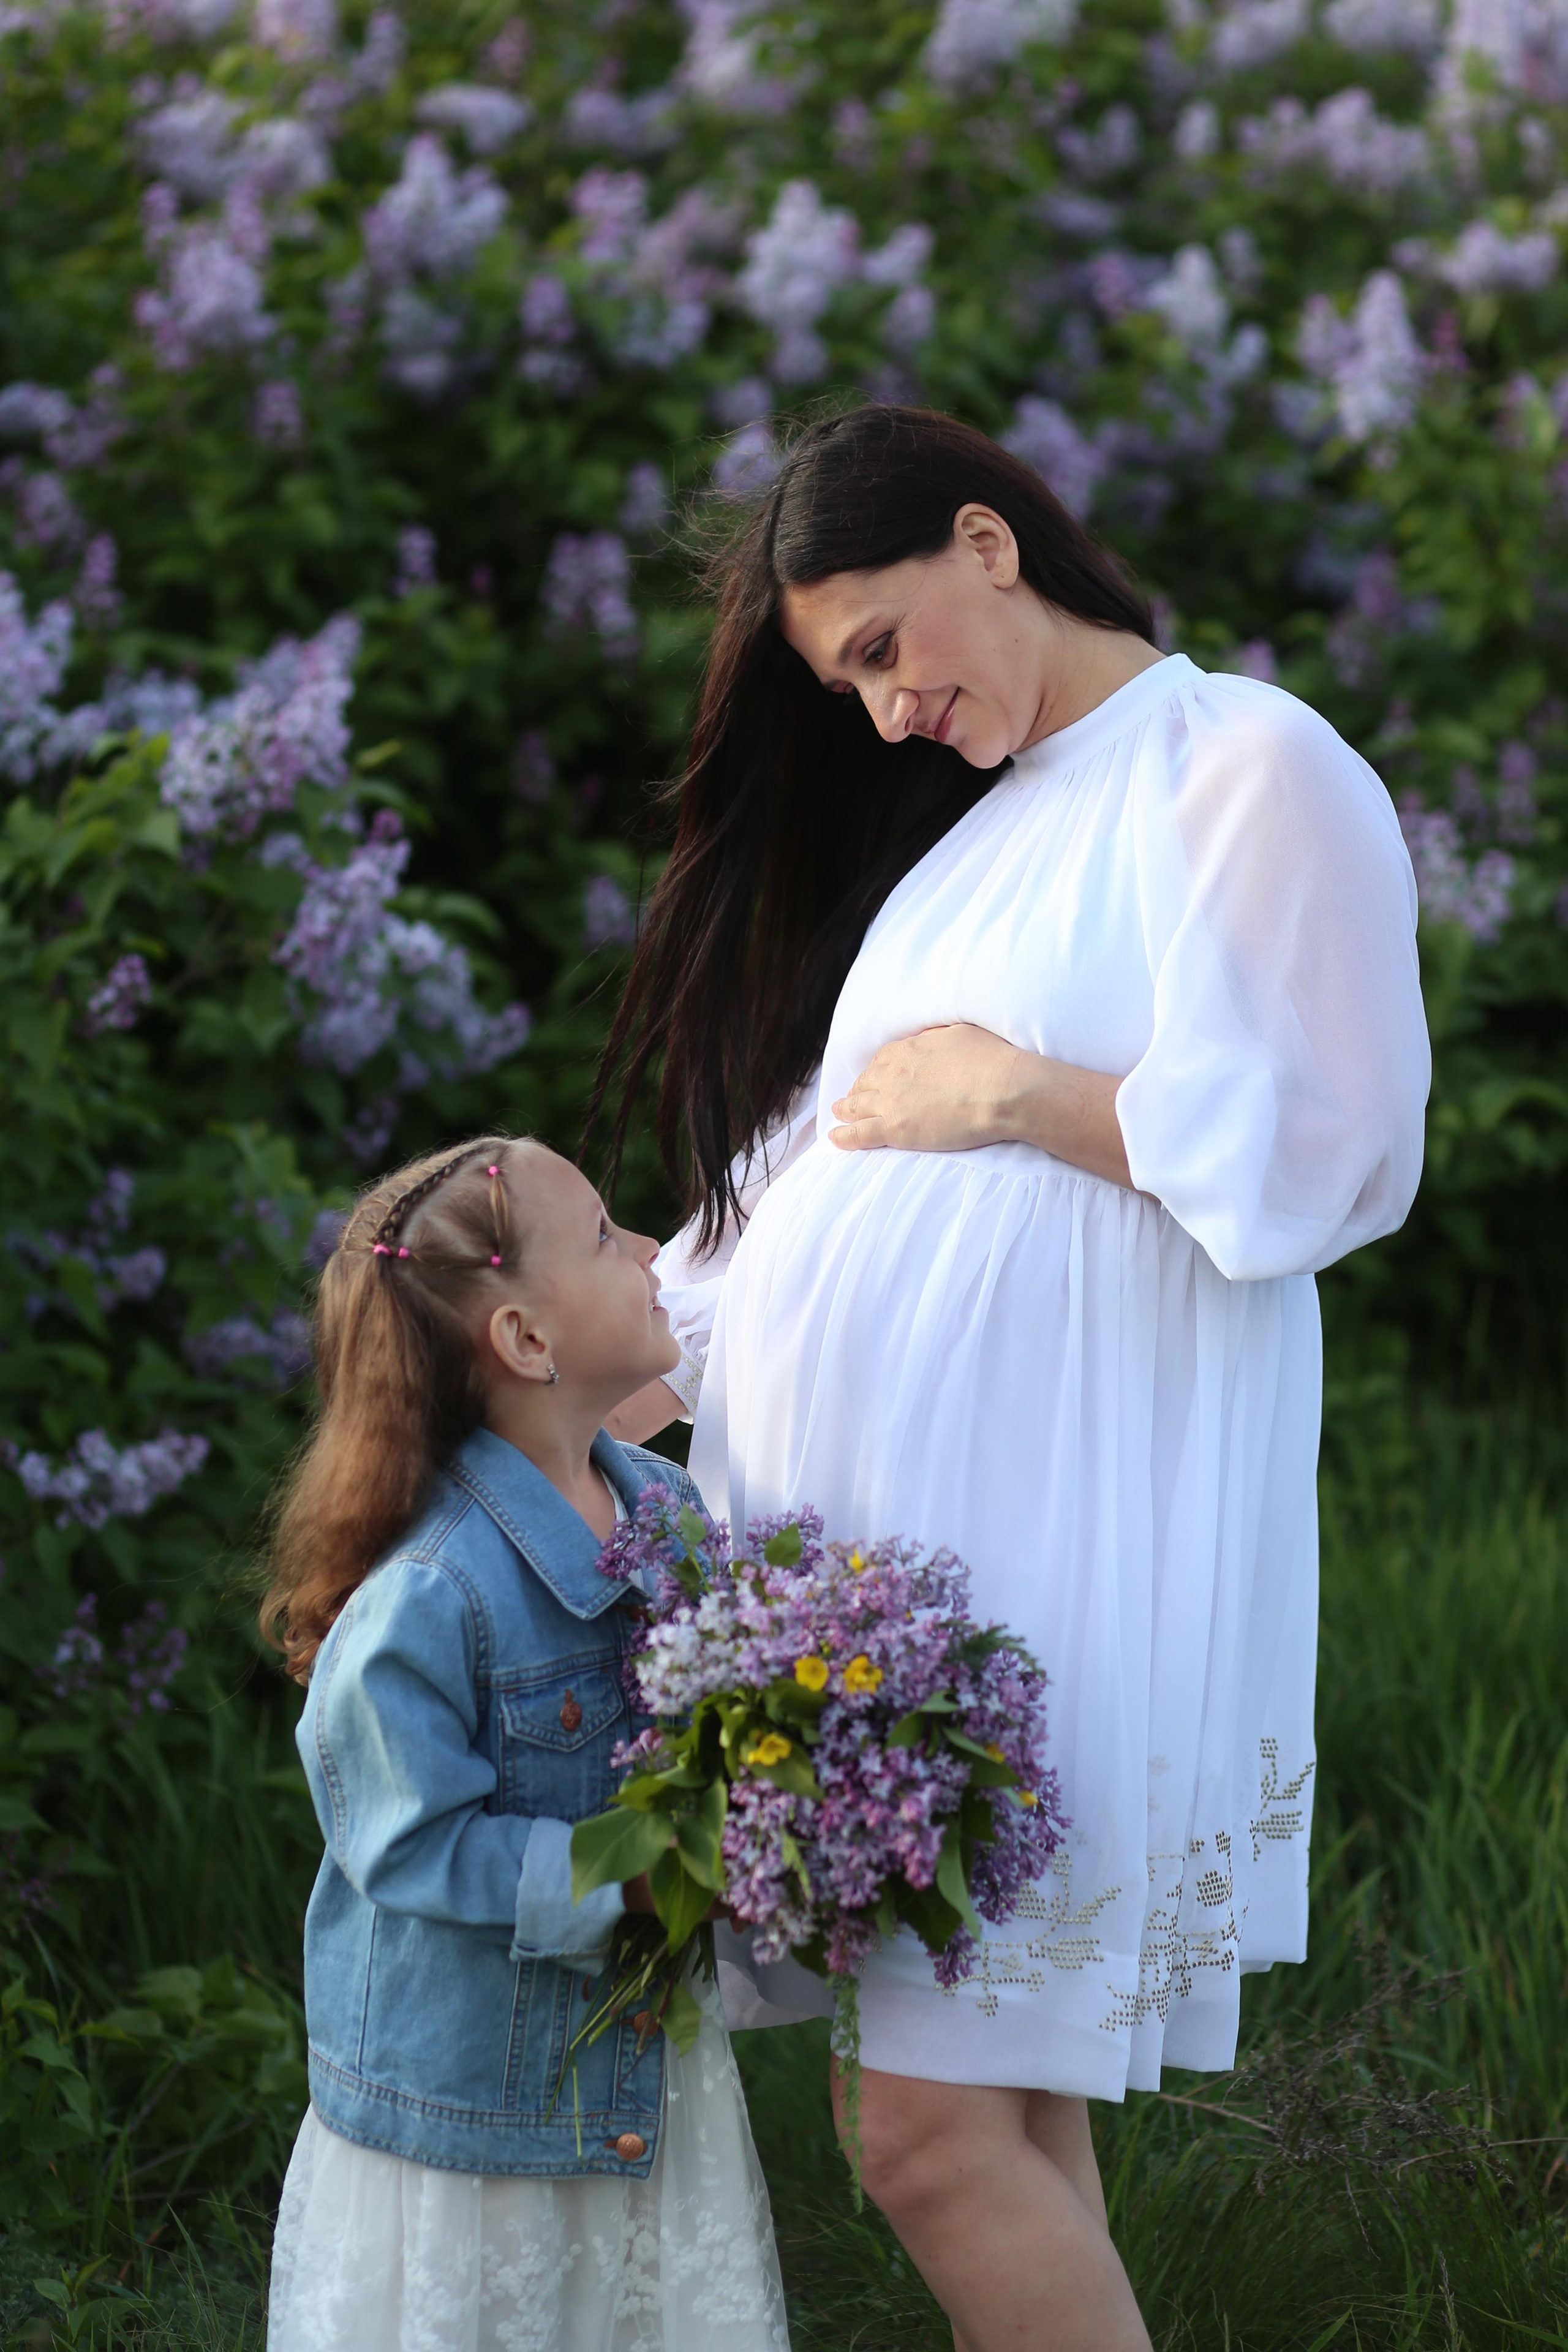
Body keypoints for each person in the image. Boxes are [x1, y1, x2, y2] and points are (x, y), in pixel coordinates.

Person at [595, 404, 1430, 2352]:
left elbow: (1337, 1146)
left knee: (929, 2141)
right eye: (844, 685)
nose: (882, 710)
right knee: (992, 2126)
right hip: (908, 1594)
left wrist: (1018, 1097)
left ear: (989, 539)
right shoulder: (977, 847)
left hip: (1055, 1574)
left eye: (885, 647)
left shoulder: (1240, 764)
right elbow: (807, 1195)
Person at [260, 1136, 790, 2352]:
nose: (655, 1254)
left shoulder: (663, 1511)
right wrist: (642, 1871)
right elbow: (410, 1845)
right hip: (471, 2117)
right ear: (526, 1343)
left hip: (633, 2072)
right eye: (608, 1237)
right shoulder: (431, 1591)